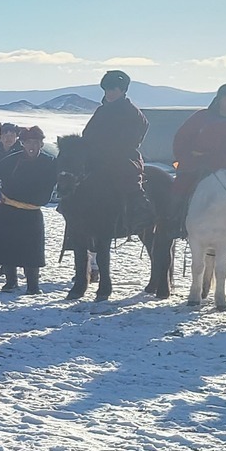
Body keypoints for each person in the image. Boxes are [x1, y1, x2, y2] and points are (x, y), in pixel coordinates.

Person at [69, 70, 150, 301]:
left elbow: (132, 138)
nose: (110, 93)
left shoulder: (132, 112)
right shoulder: (101, 110)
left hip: (122, 158)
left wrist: (108, 152)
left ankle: (138, 211)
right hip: (95, 161)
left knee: (127, 179)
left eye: (114, 89)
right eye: (107, 89)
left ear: (123, 90)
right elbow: (87, 134)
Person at [0, 126, 55, 294]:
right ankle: (11, 282)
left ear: (41, 144)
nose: (32, 146)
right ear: (22, 143)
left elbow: (53, 183)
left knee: (33, 249)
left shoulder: (49, 163)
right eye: (28, 142)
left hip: (32, 212)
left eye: (35, 142)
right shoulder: (11, 160)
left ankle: (33, 285)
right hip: (9, 210)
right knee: (9, 246)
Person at [171, 83, 226, 222]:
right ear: (219, 99)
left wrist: (216, 161)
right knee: (179, 189)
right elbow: (181, 140)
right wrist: (189, 158)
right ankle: (173, 221)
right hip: (196, 164)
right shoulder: (201, 117)